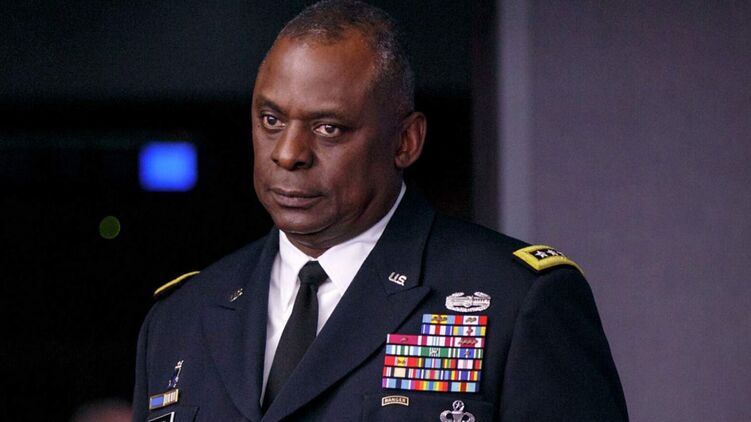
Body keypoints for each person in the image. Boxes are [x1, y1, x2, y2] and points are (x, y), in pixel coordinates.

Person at [132, 1, 628, 421]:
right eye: (271, 120)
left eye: (328, 128)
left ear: (406, 141)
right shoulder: (180, 318)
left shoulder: (516, 301)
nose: (289, 153)